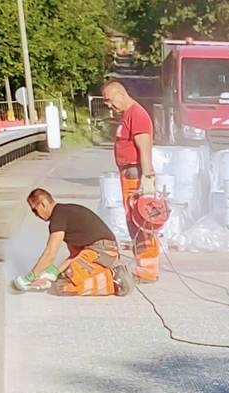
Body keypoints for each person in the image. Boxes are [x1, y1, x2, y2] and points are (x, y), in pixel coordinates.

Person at [100, 79, 165, 282]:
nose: (109, 105)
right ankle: (142, 266)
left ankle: (148, 270)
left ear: (121, 93)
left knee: (142, 220)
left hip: (136, 174)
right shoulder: (127, 115)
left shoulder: (137, 115)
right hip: (128, 173)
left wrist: (146, 177)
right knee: (134, 221)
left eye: (110, 100)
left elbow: (144, 147)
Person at [18, 188, 124, 295]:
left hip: (101, 251)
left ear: (43, 204)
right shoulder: (65, 213)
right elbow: (75, 255)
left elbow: (50, 254)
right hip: (105, 252)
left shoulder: (58, 217)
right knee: (60, 280)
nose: (35, 215)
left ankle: (114, 281)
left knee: (63, 286)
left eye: (35, 210)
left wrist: (30, 277)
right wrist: (53, 273)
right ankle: (104, 273)